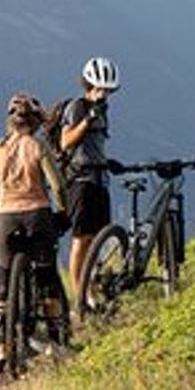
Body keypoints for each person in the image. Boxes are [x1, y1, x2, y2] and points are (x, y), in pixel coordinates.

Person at [0, 92, 70, 372]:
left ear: (9, 120)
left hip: (6, 216)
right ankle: (55, 342)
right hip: (37, 215)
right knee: (47, 275)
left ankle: (3, 345)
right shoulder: (37, 146)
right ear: (32, 122)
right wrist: (62, 213)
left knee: (4, 277)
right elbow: (58, 187)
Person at [61, 57, 121, 300]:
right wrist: (88, 119)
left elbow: (95, 145)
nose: (103, 94)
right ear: (89, 85)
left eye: (108, 90)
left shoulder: (104, 110)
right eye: (99, 89)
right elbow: (65, 142)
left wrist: (108, 162)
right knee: (81, 239)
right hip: (80, 180)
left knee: (97, 238)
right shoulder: (77, 107)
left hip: (100, 178)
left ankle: (91, 289)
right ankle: (79, 295)